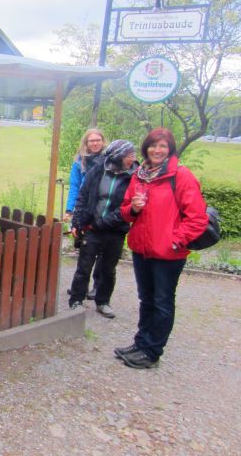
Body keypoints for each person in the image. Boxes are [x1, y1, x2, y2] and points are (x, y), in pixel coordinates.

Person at [117, 128, 208, 369]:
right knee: (146, 299)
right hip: (142, 249)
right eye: (153, 146)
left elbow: (197, 218)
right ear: (146, 148)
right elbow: (125, 211)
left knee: (162, 301)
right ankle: (141, 343)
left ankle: (153, 351)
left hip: (168, 253)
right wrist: (134, 209)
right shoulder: (139, 175)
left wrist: (175, 240)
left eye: (163, 146)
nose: (157, 150)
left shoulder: (181, 176)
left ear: (170, 150)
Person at [68, 140, 138, 318]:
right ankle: (76, 299)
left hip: (115, 230)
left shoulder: (134, 176)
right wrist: (77, 221)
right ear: (118, 156)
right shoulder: (99, 169)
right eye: (129, 155)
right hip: (91, 227)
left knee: (108, 269)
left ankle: (103, 301)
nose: (133, 158)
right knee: (84, 266)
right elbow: (84, 194)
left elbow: (126, 207)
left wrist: (101, 224)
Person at [65, 128, 106, 299]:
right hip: (84, 210)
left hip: (102, 211)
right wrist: (70, 209)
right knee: (85, 250)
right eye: (91, 141)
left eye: (98, 140)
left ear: (103, 142)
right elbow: (75, 186)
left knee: (103, 252)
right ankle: (80, 286)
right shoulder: (79, 163)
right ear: (86, 143)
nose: (95, 143)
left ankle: (98, 287)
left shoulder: (109, 161)